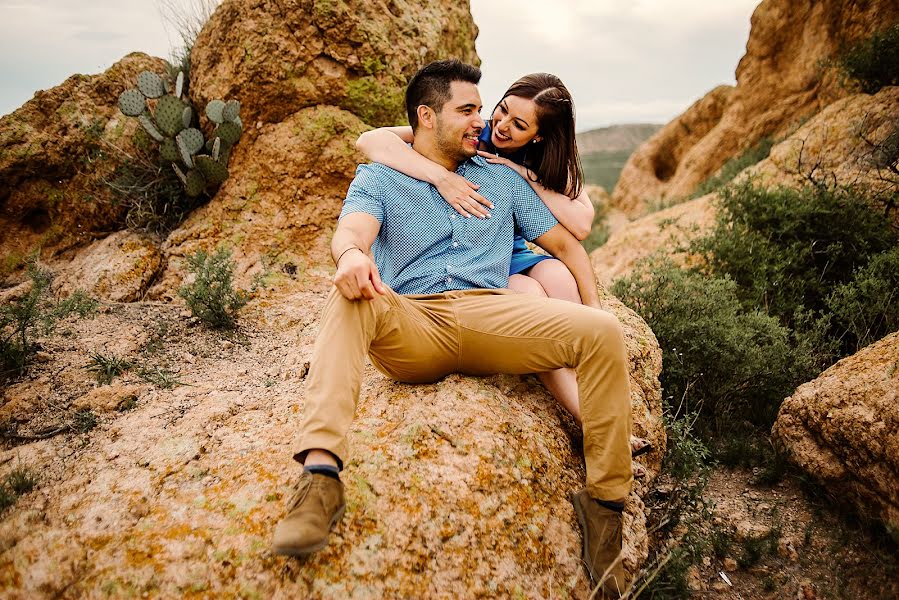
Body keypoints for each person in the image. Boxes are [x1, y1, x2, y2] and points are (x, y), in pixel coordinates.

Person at [272, 59, 632, 596]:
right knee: (349, 296)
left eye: (481, 111)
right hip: (414, 321)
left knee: (601, 333)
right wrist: (349, 254)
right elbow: (353, 228)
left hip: (492, 314)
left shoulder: (500, 178)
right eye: (468, 111)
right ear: (426, 115)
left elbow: (566, 244)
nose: (481, 123)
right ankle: (321, 477)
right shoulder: (382, 173)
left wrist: (594, 308)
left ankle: (604, 506)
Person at [355, 73, 652, 462]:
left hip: (512, 245)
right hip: (487, 260)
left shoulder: (535, 162)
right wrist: (442, 177)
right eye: (502, 110)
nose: (501, 125)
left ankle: (593, 398)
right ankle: (586, 414)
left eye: (519, 125)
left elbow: (577, 229)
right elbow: (370, 140)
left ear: (539, 137)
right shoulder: (468, 137)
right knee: (532, 299)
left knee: (564, 286)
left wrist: (523, 175)